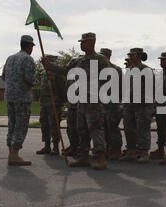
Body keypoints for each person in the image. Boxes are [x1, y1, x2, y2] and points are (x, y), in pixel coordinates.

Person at [70, 33, 110, 169]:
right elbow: (65, 70)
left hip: (94, 101)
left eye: (83, 42)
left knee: (95, 129)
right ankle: (84, 157)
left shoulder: (100, 59)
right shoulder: (79, 61)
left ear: (92, 42)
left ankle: (101, 157)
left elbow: (109, 78)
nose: (81, 44)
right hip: (81, 100)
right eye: (81, 42)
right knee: (81, 129)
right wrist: (49, 66)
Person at [1, 35, 36, 166]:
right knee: (21, 126)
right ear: (29, 46)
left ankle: (11, 152)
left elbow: (4, 76)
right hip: (22, 98)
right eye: (32, 46)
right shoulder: (28, 59)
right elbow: (30, 78)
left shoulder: (10, 58)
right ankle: (14, 155)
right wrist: (35, 82)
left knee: (12, 125)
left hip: (10, 96)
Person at [121, 48, 155, 163]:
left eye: (132, 55)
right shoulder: (129, 70)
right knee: (128, 128)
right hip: (129, 105)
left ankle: (144, 153)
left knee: (143, 129)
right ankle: (131, 151)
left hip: (143, 106)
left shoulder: (146, 70)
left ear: (139, 56)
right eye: (129, 54)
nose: (130, 56)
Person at [36, 55, 66, 156]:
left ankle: (56, 147)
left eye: (46, 62)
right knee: (44, 125)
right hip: (44, 103)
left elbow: (63, 88)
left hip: (54, 103)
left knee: (54, 126)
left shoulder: (58, 74)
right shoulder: (44, 74)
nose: (44, 65)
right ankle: (47, 145)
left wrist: (62, 100)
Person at [99, 48, 124, 160]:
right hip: (101, 103)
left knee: (112, 127)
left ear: (109, 56)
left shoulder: (116, 69)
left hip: (112, 104)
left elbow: (121, 87)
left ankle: (117, 150)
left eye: (103, 55)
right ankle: (108, 148)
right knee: (103, 127)